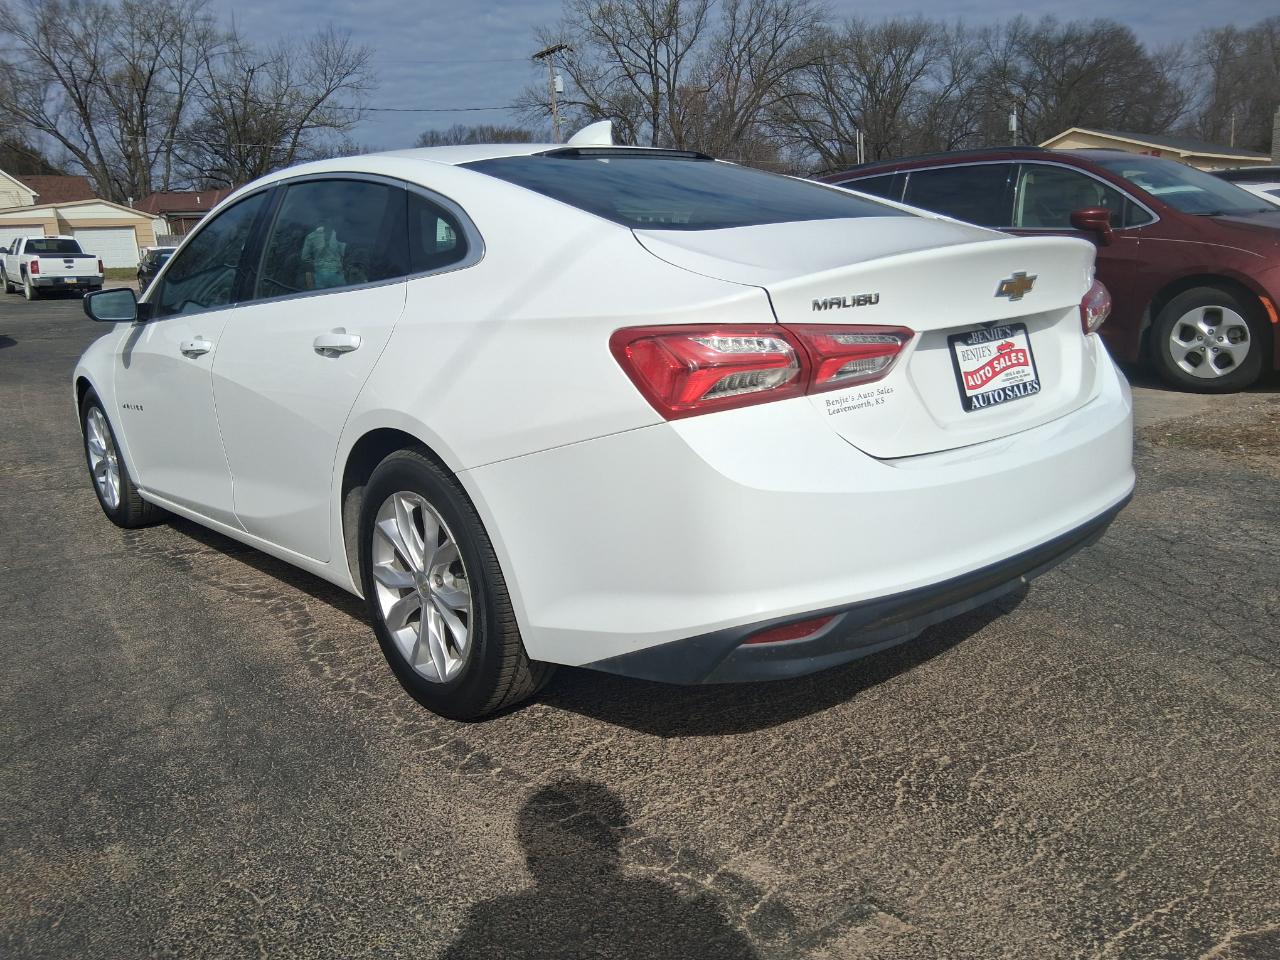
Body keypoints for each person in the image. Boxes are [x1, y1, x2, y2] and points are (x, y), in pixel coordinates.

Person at [300, 220, 346, 289]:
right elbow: (344, 254)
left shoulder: (311, 237)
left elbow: (304, 257)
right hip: (337, 275)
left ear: (318, 223)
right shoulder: (340, 236)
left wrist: (316, 263)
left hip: (319, 275)